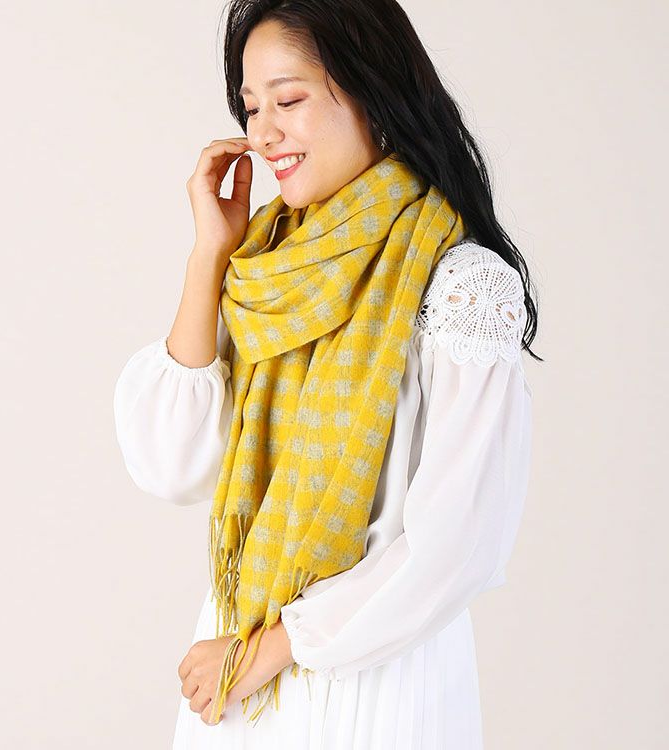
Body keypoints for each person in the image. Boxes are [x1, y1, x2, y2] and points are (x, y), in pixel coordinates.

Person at [113, 0, 541, 747]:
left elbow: (460, 543)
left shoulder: (461, 285)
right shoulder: (265, 273)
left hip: (373, 685)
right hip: (236, 688)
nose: (262, 133)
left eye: (289, 100)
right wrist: (209, 256)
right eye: (251, 108)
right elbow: (170, 465)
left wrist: (269, 650)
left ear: (373, 92)